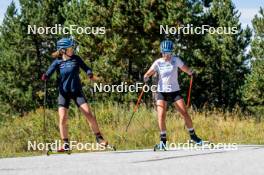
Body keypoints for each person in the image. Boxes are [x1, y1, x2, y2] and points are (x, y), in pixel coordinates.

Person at [41, 38, 108, 152]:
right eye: (70, 48)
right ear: (63, 50)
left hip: (77, 92)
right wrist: (45, 76)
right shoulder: (58, 62)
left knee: (89, 114)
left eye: (72, 47)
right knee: (62, 118)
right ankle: (66, 144)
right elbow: (48, 73)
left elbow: (86, 68)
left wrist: (90, 73)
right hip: (64, 93)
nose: (72, 49)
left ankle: (99, 139)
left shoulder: (76, 59)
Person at [144, 39, 203, 150]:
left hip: (175, 91)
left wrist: (191, 72)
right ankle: (163, 142)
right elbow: (148, 73)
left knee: (184, 113)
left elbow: (185, 68)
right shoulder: (158, 62)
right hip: (162, 92)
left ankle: (193, 137)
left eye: (170, 53)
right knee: (161, 116)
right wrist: (146, 76)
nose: (168, 56)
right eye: (165, 53)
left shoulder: (176, 60)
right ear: (162, 52)